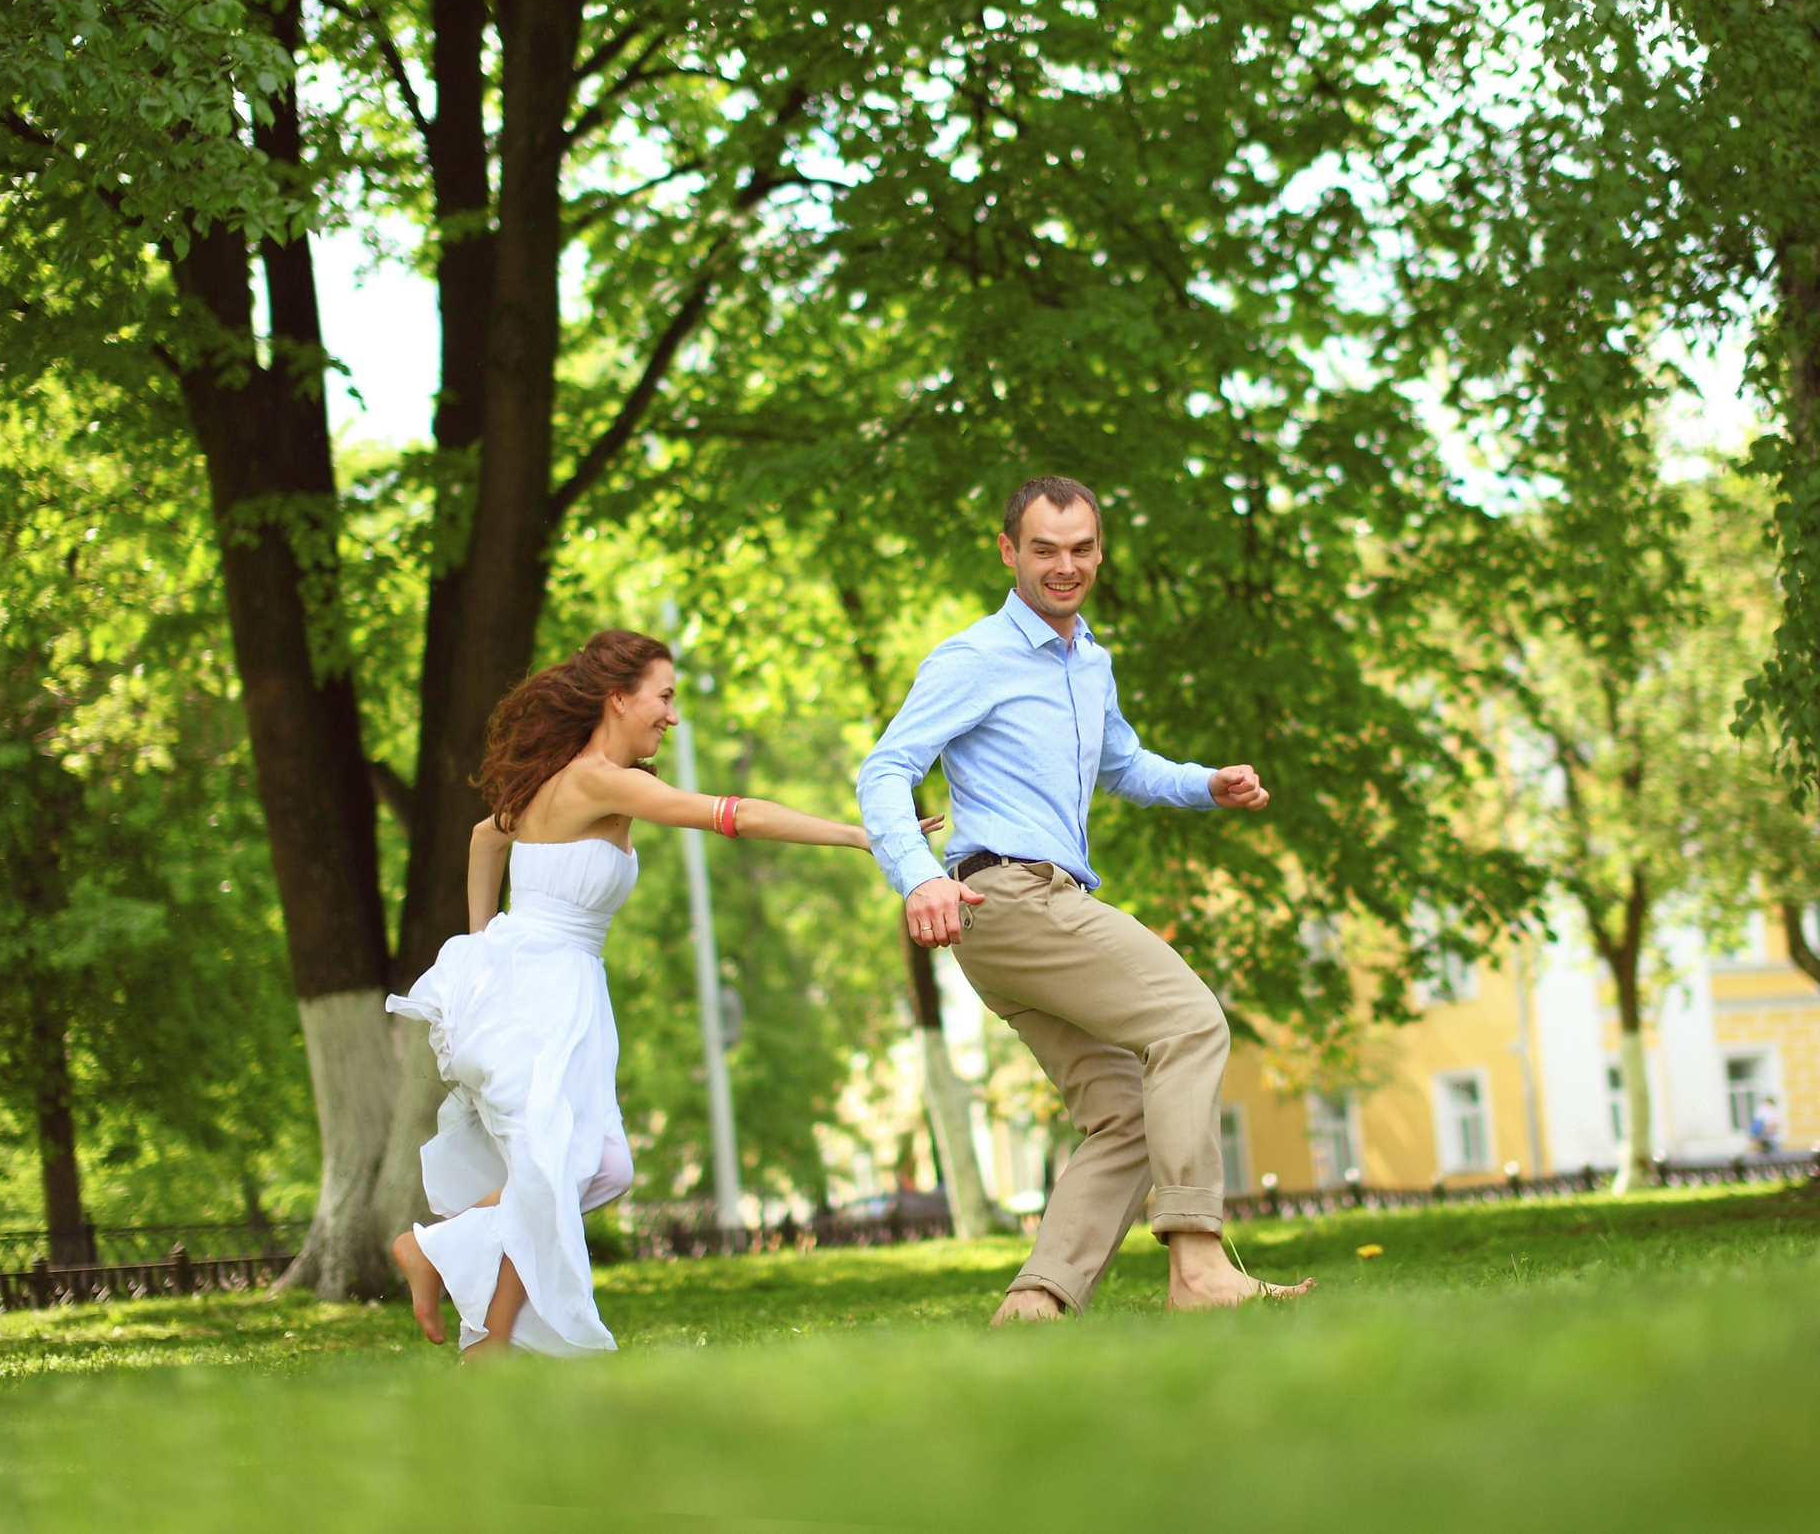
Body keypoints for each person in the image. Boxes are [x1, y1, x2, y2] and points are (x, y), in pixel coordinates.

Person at [389, 629, 933, 1360]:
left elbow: (487, 837)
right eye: (665, 696)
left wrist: (485, 942)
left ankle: (484, 1337)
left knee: (589, 1167)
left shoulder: (567, 780)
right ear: (620, 697)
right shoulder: (596, 779)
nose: (672, 715)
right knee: (559, 1167)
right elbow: (731, 814)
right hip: (545, 985)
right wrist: (859, 835)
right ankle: (436, 1259)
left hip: (563, 981)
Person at [857, 475, 1314, 1324]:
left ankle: (1037, 1301)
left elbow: (1125, 764)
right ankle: (1200, 1265)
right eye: (1044, 549)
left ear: (1098, 550)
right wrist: (917, 875)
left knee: (1126, 1113)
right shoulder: (975, 657)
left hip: (1023, 911)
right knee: (1189, 1020)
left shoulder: (1088, 661)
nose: (1064, 566)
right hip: (1006, 893)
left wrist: (1205, 784)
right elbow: (884, 768)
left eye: (1080, 549)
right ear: (1008, 552)